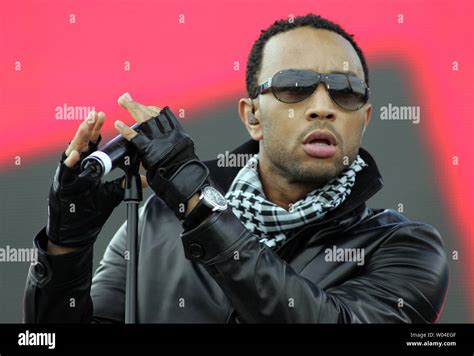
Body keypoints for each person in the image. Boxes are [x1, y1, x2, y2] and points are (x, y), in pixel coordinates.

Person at [24, 13, 448, 323]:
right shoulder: (158, 220)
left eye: (346, 92)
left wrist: (200, 204)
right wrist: (66, 245)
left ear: (366, 117)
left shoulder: (407, 248)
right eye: (294, 88)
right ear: (252, 117)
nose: (323, 108)